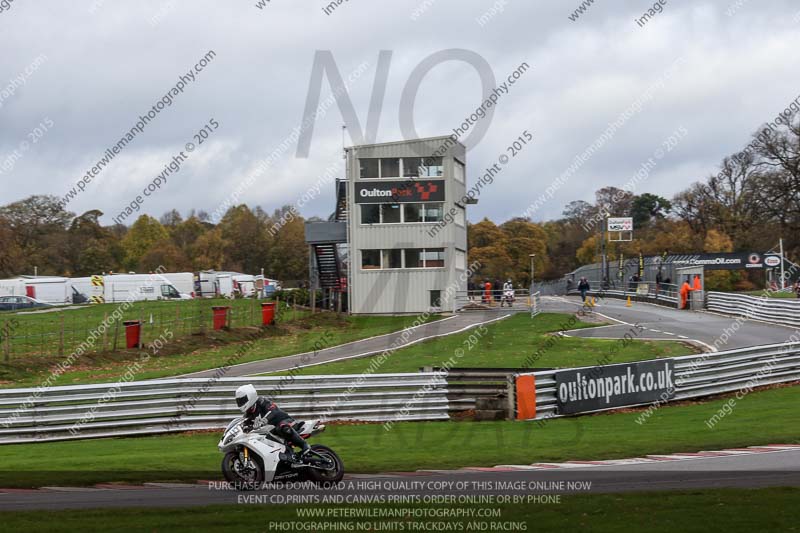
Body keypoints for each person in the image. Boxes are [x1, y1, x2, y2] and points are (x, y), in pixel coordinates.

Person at [234, 384, 310, 460]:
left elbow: (273, 410)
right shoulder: (248, 414)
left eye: (242, 400)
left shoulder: (262, 401)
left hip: (286, 422)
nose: (241, 403)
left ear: (250, 396)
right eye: (239, 401)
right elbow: (245, 424)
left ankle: (305, 446)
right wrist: (244, 428)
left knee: (282, 427)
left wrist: (264, 420)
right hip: (273, 431)